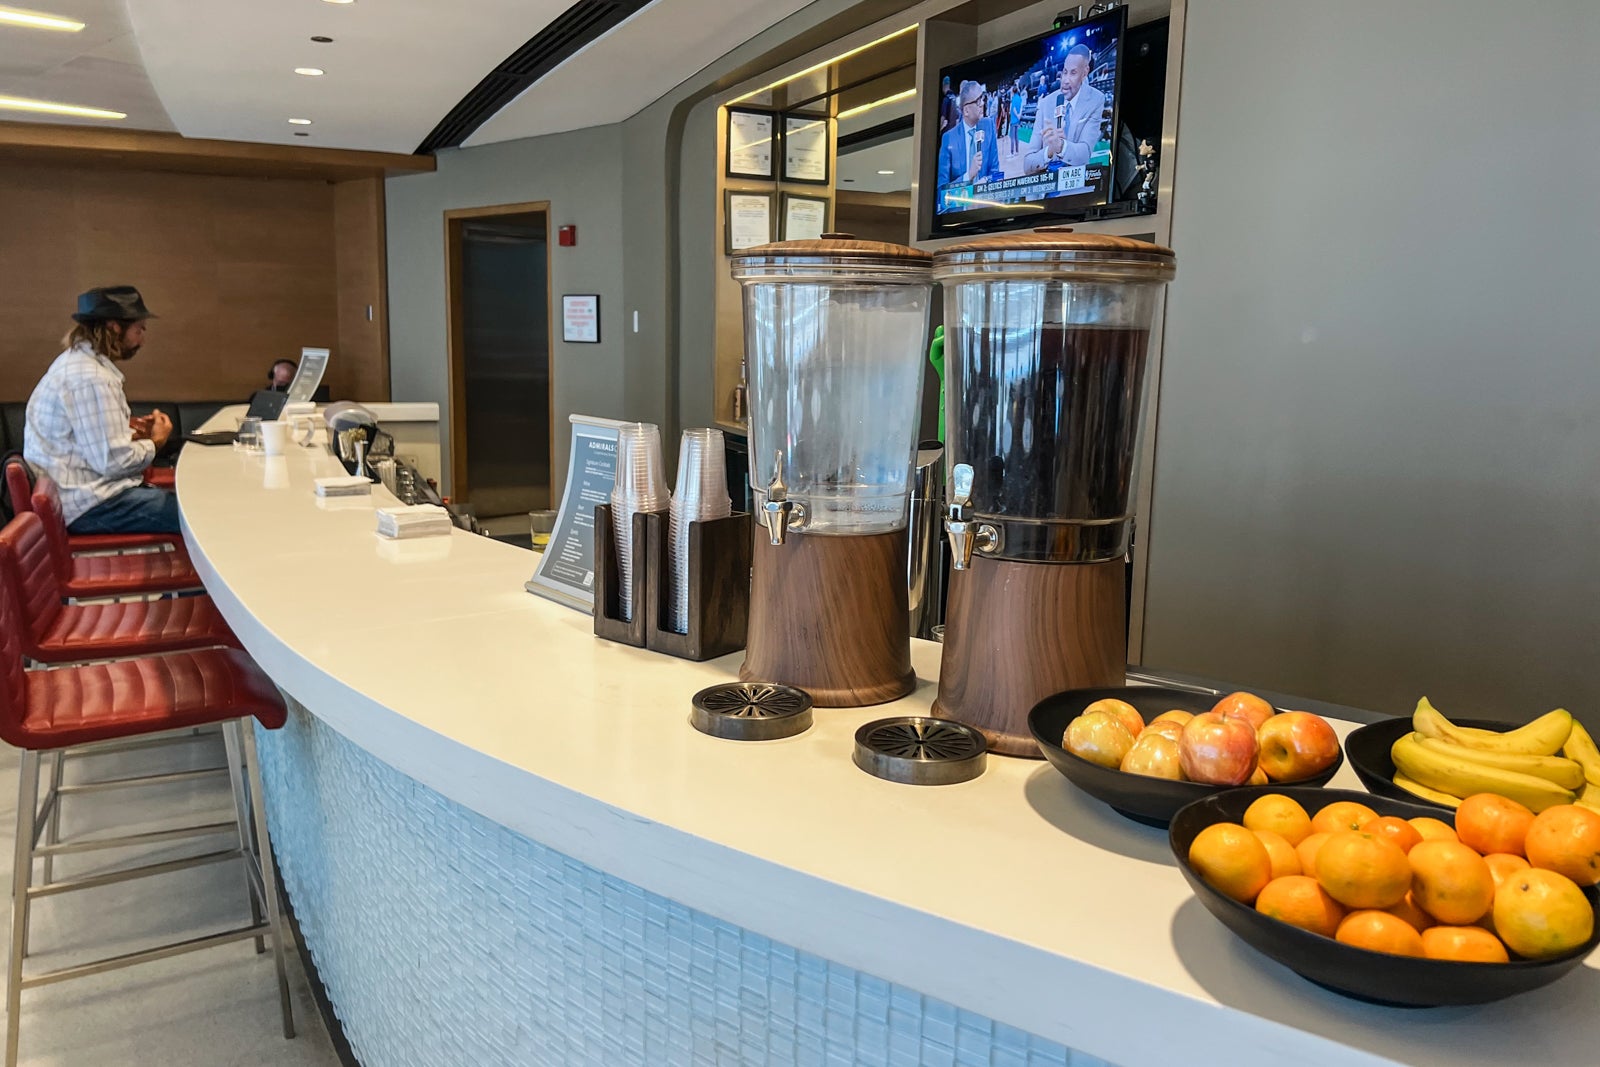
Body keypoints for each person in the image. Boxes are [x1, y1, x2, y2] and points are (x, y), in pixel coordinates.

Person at [23, 286, 179, 535]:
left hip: (75, 497)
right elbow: (114, 462)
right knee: (198, 517)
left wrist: (135, 433)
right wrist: (156, 441)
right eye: (139, 330)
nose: (142, 340)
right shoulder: (92, 378)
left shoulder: (73, 362)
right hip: (90, 505)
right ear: (114, 327)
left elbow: (88, 443)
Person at [1023, 44, 1108, 173]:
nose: (1066, 80)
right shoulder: (1047, 103)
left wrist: (1061, 146)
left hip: (1076, 187)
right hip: (1044, 190)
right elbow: (1027, 165)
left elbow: (1085, 154)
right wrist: (1049, 151)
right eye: (1065, 72)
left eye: (1073, 73)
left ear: (1085, 73)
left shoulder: (1095, 100)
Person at [937, 80, 1000, 188]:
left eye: (983, 98)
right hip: (960, 203)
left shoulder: (988, 126)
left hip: (985, 202)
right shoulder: (949, 138)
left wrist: (985, 184)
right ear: (966, 111)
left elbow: (995, 173)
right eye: (978, 101)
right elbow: (941, 191)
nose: (983, 103)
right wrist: (969, 176)